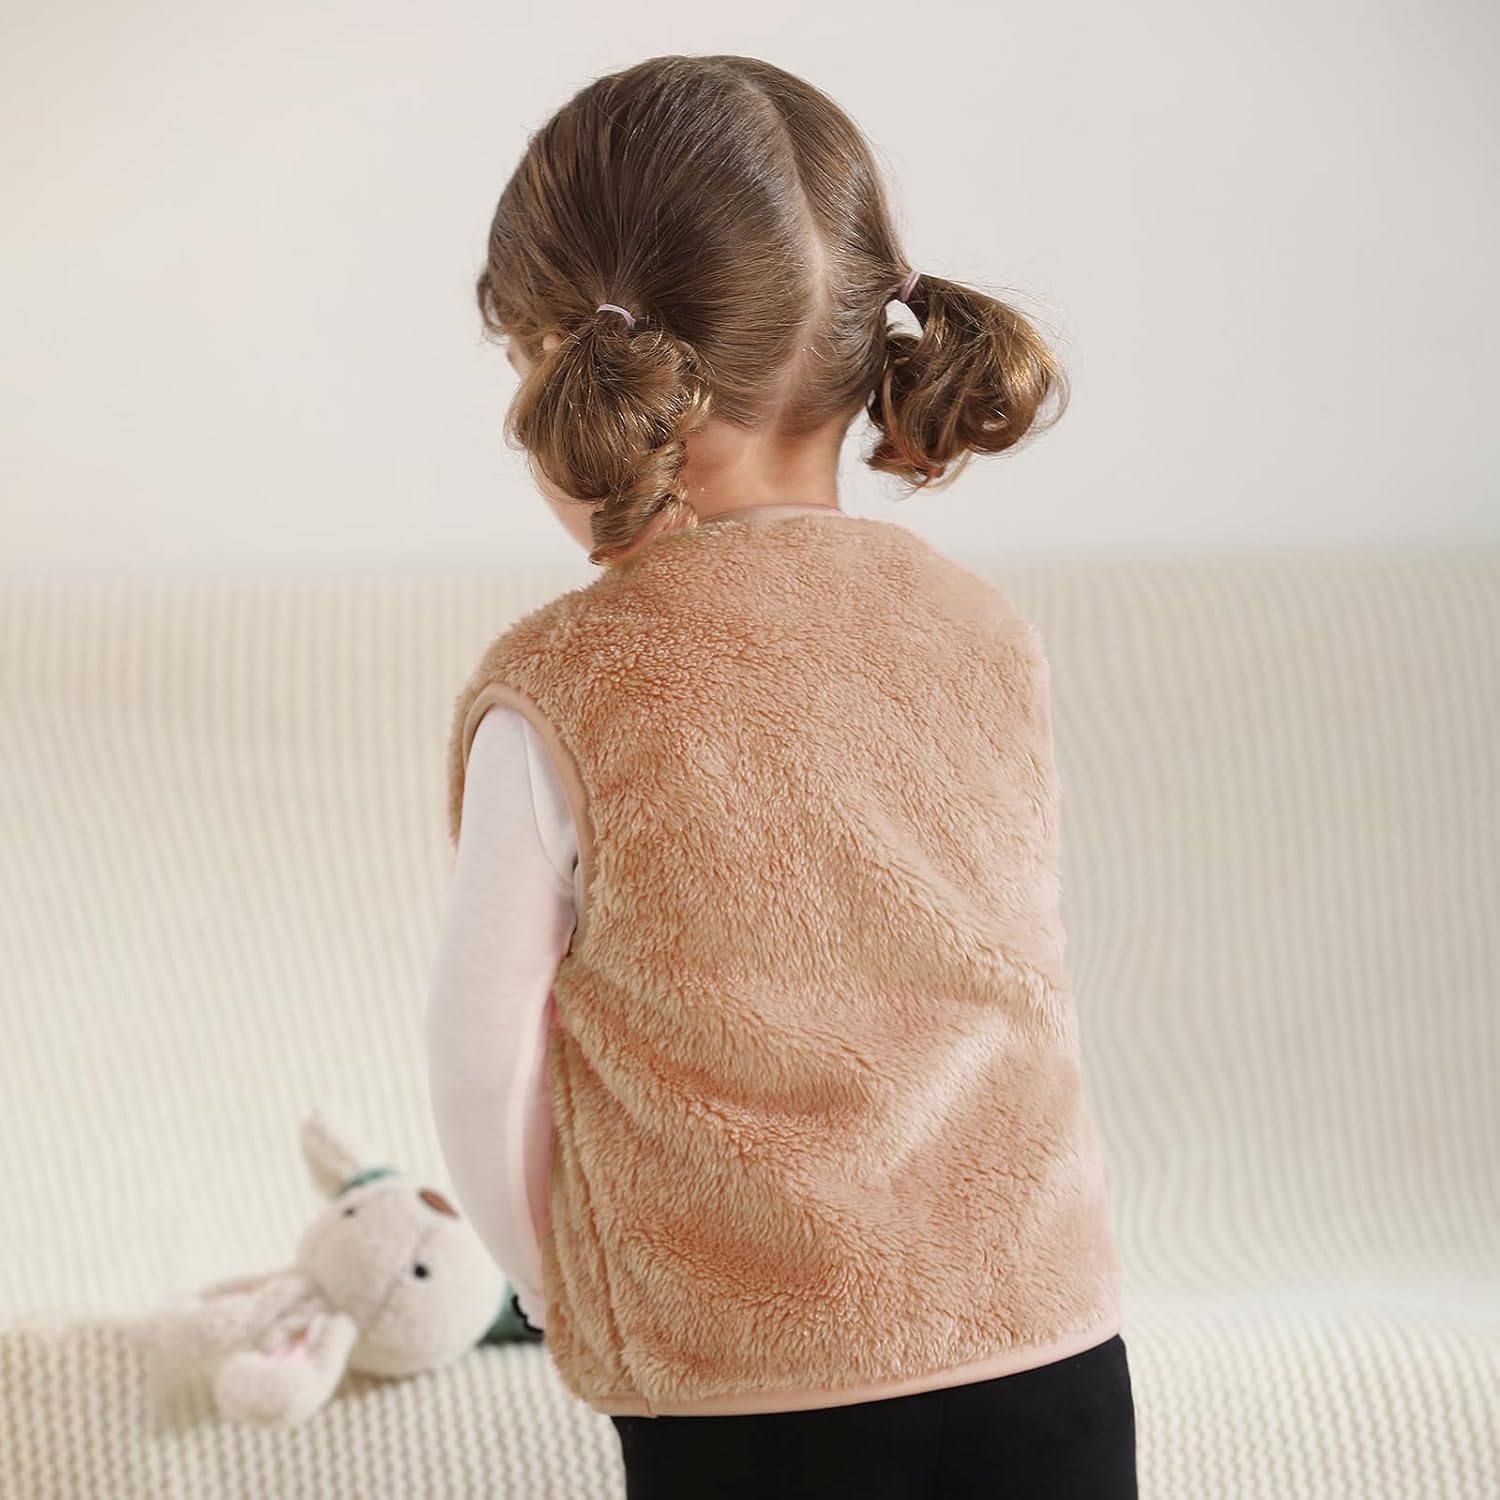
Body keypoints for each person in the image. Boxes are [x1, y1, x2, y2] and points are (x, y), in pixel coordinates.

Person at [424, 52, 1138, 1499]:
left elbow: (477, 1054)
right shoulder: (981, 629)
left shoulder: (569, 683)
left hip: (750, 1387)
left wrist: (553, 1287)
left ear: (573, 368)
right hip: (1049, 1339)